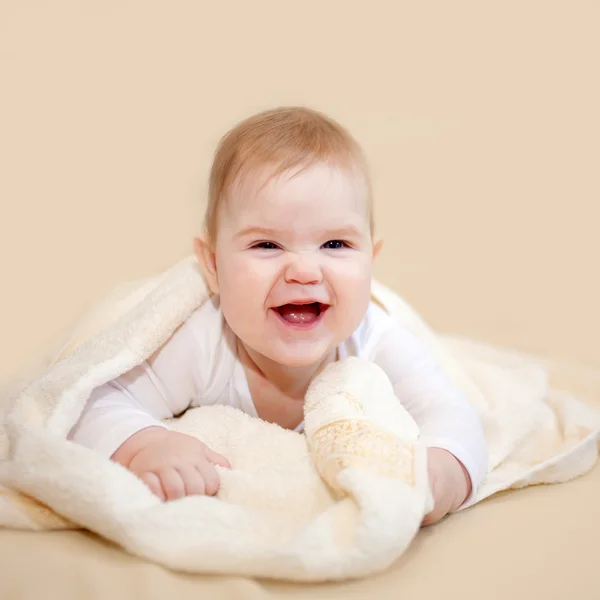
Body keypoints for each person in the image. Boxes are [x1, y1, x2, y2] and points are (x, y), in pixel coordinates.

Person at [68, 106, 487, 526]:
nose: (304, 271)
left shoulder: (375, 341)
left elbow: (450, 413)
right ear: (212, 266)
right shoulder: (203, 342)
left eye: (336, 244)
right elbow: (89, 401)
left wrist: (442, 471)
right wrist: (144, 444)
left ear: (371, 262)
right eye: (267, 245)